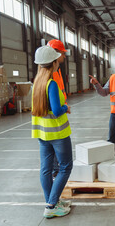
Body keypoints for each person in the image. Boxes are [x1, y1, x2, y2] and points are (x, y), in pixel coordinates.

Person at [32, 45, 73, 219]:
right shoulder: (52, 84)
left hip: (42, 134)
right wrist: (66, 107)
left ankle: (52, 201)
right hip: (57, 134)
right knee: (65, 167)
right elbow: (56, 110)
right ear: (54, 62)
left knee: (46, 169)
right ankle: (51, 205)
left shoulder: (37, 83)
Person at [47, 39, 67, 178]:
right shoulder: (50, 73)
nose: (64, 56)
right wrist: (64, 107)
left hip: (57, 112)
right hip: (54, 115)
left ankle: (55, 168)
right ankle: (55, 169)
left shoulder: (57, 70)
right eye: (62, 53)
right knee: (55, 146)